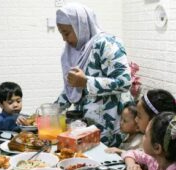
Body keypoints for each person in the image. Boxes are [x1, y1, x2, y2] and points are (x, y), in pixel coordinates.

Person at [55, 3, 133, 147]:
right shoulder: (73, 51)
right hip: (84, 126)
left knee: (103, 166)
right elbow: (71, 88)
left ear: (81, 26)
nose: (64, 39)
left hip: (108, 127)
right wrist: (51, 111)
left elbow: (125, 81)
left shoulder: (107, 44)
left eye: (66, 33)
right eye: (61, 33)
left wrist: (86, 82)